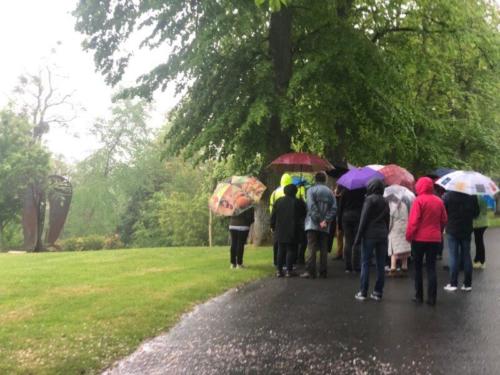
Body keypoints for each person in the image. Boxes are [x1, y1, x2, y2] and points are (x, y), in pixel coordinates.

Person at [406, 177, 448, 305]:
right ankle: (432, 298)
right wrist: (438, 231)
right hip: (434, 239)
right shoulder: (439, 201)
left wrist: (409, 236)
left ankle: (419, 296)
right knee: (431, 268)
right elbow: (444, 219)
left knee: (418, 268)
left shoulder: (418, 201)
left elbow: (413, 222)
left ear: (420, 186)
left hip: (419, 239)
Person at [353, 179, 389, 301]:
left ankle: (363, 292)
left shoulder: (369, 200)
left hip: (369, 235)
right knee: (380, 264)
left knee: (365, 263)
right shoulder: (385, 201)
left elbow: (363, 219)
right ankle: (378, 292)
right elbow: (387, 220)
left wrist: (357, 238)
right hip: (382, 234)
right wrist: (386, 232)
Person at [300, 172, 336, 279]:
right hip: (325, 225)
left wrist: (319, 220)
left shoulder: (311, 190)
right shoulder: (330, 192)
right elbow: (334, 209)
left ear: (315, 179)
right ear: (325, 179)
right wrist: (326, 220)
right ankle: (323, 272)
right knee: (324, 248)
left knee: (311, 247)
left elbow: (311, 207)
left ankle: (310, 271)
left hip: (312, 223)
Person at [443, 190, 479, 292]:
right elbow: (476, 213)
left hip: (452, 229)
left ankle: (453, 283)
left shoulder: (448, 196)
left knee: (454, 256)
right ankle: (467, 284)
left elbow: (443, 211)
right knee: (466, 255)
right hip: (466, 229)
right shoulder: (472, 196)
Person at [270, 184, 307, 277]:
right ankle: (289, 270)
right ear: (295, 192)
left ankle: (279, 270)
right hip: (293, 228)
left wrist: (272, 226)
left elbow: (273, 215)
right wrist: (302, 200)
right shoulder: (298, 202)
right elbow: (304, 213)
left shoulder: (278, 201)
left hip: (280, 229)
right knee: (291, 249)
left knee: (281, 249)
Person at [337, 187, 366, 273]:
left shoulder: (345, 191)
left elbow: (340, 207)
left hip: (346, 217)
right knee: (357, 241)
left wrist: (339, 223)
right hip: (358, 217)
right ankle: (356, 266)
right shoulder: (362, 191)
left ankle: (348, 266)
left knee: (348, 241)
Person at [386, 195, 411, 277]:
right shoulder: (404, 205)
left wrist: (388, 230)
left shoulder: (392, 206)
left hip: (395, 229)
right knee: (405, 248)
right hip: (405, 228)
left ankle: (393, 268)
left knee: (394, 249)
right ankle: (404, 267)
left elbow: (390, 220)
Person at [473, 195, 489, 269]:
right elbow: (485, 210)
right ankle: (477, 259)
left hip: (478, 223)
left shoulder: (475, 197)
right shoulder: (483, 197)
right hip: (484, 222)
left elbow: (475, 212)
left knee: (479, 242)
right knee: (478, 241)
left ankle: (481, 261)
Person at [333, 185, 344, 260]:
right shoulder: (338, 197)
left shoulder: (337, 197)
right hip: (342, 217)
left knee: (339, 236)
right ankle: (341, 253)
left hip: (340, 217)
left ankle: (340, 253)